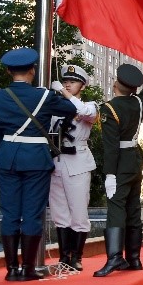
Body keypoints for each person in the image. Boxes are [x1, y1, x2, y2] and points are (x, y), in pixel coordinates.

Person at [0, 48, 80, 282]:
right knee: (32, 214)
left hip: (7, 157)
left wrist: (10, 147)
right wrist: (58, 92)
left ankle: (10, 270)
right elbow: (71, 109)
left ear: (8, 71)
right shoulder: (45, 97)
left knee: (9, 214)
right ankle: (27, 268)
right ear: (32, 70)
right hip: (36, 157)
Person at [94, 64, 143, 277]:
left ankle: (115, 258)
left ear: (116, 84)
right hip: (134, 161)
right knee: (133, 208)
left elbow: (111, 146)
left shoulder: (109, 108)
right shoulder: (138, 103)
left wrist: (110, 174)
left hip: (120, 164)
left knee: (116, 208)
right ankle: (134, 258)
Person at [47, 64, 98, 272]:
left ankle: (77, 257)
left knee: (78, 212)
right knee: (60, 213)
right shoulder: (55, 107)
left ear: (82, 86)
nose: (68, 84)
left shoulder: (89, 106)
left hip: (78, 163)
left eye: (73, 82)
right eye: (66, 81)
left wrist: (63, 93)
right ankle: (64, 257)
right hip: (56, 162)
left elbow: (84, 111)